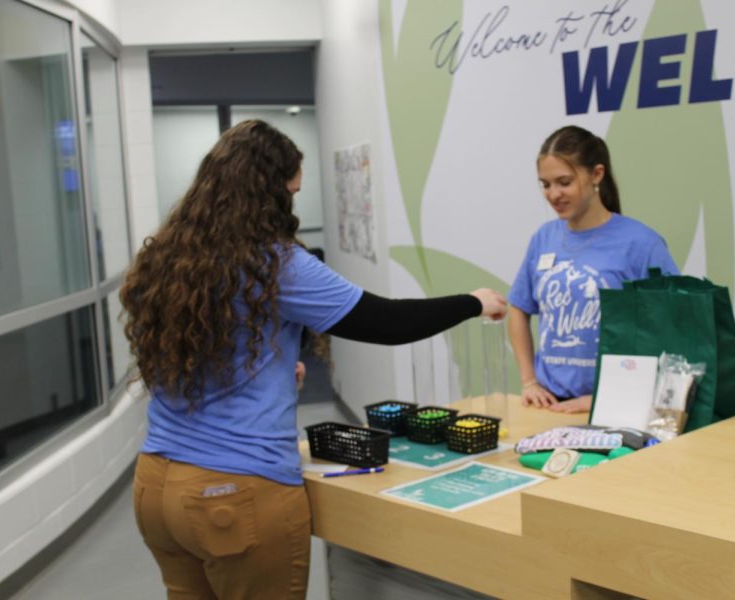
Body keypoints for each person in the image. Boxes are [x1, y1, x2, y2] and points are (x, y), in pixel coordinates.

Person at [120, 119, 506, 600]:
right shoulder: (273, 264)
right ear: (266, 193)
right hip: (234, 492)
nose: (291, 206)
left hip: (157, 486)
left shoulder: (175, 254)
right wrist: (472, 301)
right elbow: (384, 323)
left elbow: (212, 346)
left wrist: (276, 372)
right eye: (290, 193)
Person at [507, 125, 678, 415]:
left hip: (616, 408)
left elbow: (670, 327)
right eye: (545, 184)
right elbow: (518, 308)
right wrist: (529, 382)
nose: (553, 194)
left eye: (564, 182)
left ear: (596, 175)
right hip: (549, 409)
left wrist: (609, 394)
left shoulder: (641, 243)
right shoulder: (544, 238)